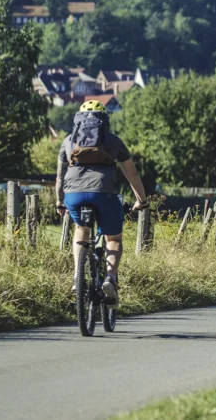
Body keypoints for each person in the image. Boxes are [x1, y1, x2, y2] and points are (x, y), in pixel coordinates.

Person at [55, 100, 148, 305]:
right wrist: (142, 201)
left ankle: (78, 278)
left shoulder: (69, 140)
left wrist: (59, 202)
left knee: (82, 229)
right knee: (113, 239)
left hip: (74, 195)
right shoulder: (113, 141)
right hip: (104, 193)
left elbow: (60, 176)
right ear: (105, 120)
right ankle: (110, 278)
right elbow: (132, 174)